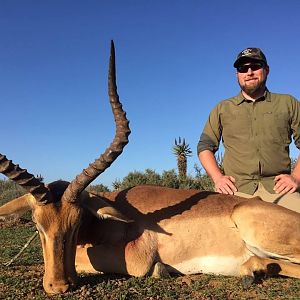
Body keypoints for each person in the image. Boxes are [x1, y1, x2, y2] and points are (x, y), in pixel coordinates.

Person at [197, 47, 300, 212]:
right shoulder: (223, 108)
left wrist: (296, 177)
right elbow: (204, 147)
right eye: (243, 69)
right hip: (236, 191)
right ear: (237, 75)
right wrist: (218, 179)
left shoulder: (288, 103)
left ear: (266, 70)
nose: (249, 72)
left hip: (280, 190)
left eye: (255, 66)